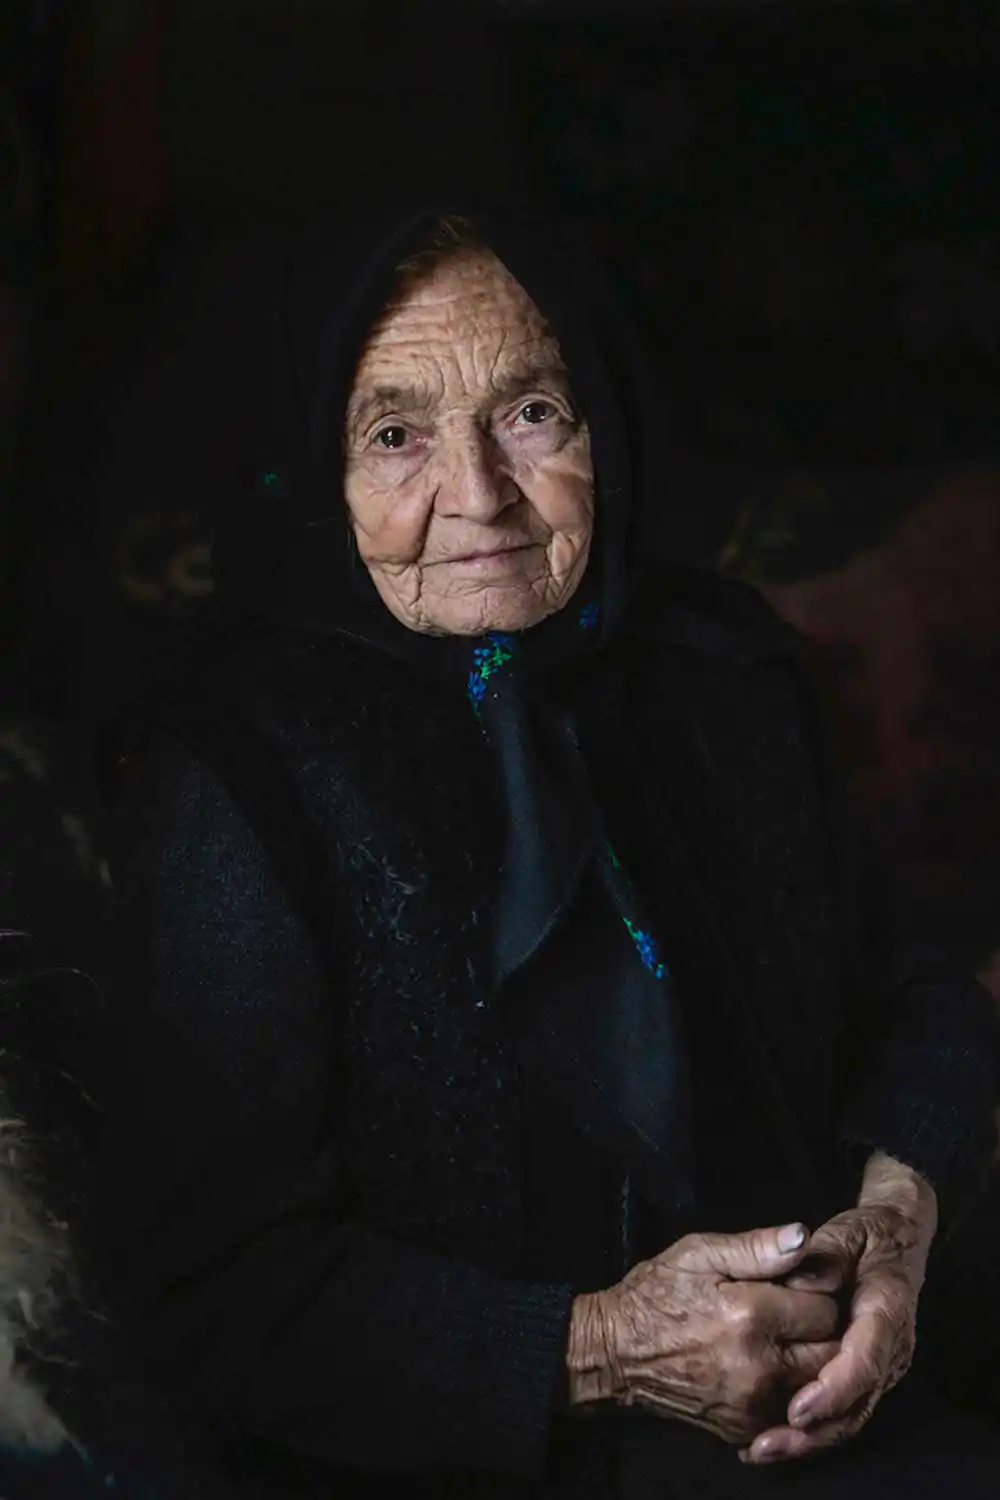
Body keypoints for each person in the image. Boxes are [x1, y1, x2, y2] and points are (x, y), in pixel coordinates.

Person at [89, 204, 1000, 1499]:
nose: (480, 497)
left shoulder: (721, 669)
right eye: (396, 436)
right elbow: (210, 1289)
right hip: (454, 1464)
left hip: (832, 1401)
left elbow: (914, 993)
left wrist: (895, 1231)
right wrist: (608, 1350)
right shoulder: (234, 776)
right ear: (317, 469)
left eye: (530, 414)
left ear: (602, 425)